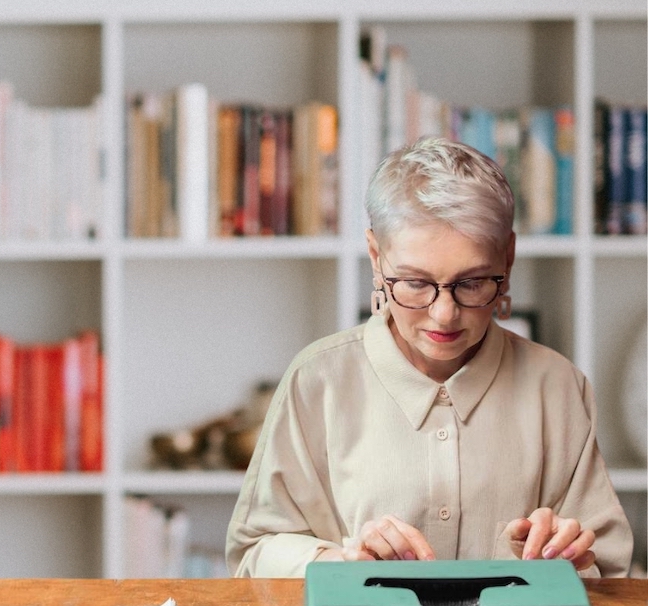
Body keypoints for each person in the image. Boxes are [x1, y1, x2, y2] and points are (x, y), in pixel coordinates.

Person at [226, 137, 633, 579]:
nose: (444, 313)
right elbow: (253, 554)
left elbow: (609, 570)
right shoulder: (317, 380)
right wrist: (344, 562)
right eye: (417, 283)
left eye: (472, 282)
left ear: (508, 258)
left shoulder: (557, 386)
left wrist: (570, 557)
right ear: (377, 259)